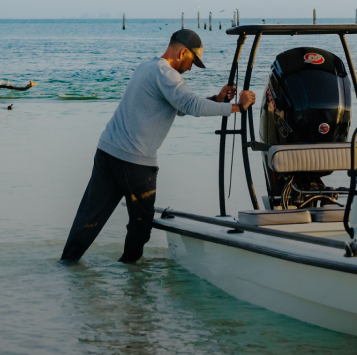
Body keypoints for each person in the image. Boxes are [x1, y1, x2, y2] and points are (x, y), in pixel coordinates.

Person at [59, 29, 255, 263]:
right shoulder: (167, 74)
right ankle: (132, 276)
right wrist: (238, 107)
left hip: (107, 151)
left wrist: (218, 98)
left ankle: (67, 264)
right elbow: (191, 105)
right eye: (192, 61)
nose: (191, 68)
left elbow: (179, 107)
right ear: (183, 52)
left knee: (89, 218)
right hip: (134, 160)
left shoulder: (147, 67)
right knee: (141, 225)